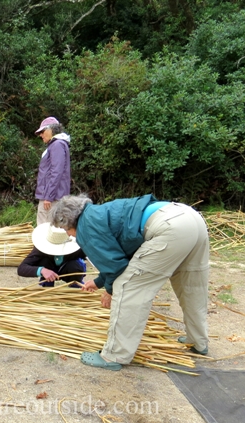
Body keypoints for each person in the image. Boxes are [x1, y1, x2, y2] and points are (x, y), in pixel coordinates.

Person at [50, 194, 210, 371]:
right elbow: (121, 257)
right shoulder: (97, 214)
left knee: (128, 287)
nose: (68, 234)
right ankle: (198, 341)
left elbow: (116, 267)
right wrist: (98, 282)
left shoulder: (85, 227)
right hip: (190, 217)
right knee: (192, 286)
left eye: (65, 229)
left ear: (69, 220)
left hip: (169, 228)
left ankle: (113, 355)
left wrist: (109, 291)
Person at [17, 223, 87, 287]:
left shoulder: (76, 249)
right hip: (49, 271)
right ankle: (46, 284)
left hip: (69, 270)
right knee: (44, 261)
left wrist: (96, 282)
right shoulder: (41, 249)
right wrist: (42, 270)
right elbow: (21, 268)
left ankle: (75, 284)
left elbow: (94, 259)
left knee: (77, 265)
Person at [34, 117, 72, 226]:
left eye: (42, 131)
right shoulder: (57, 145)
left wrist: (48, 196)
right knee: (54, 231)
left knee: (43, 231)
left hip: (52, 198)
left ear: (51, 130)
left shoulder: (57, 145)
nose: (41, 135)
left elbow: (56, 172)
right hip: (53, 196)